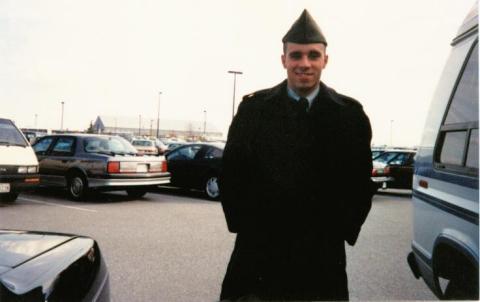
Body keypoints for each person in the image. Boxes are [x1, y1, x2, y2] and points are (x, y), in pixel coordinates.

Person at [219, 9, 374, 301]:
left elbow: (359, 185)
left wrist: (340, 230)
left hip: (321, 255)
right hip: (259, 252)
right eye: (296, 55)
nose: (304, 64)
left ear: (325, 60)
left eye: (313, 55)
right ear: (283, 60)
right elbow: (231, 175)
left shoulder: (349, 116)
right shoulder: (254, 110)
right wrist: (247, 226)